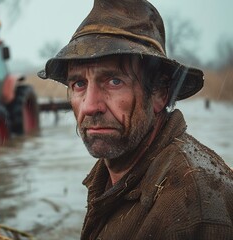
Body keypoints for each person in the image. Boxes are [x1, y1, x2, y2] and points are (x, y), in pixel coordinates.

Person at [38, 0, 233, 239]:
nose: (90, 106)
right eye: (79, 84)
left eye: (114, 81)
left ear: (160, 93)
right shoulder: (114, 173)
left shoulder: (192, 207)